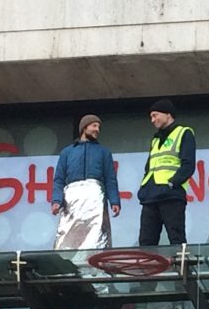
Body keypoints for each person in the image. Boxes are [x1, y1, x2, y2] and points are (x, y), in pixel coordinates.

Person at [51, 114, 121, 250]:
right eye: (94, 126)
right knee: (67, 239)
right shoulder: (67, 152)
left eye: (99, 127)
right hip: (71, 200)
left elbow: (110, 179)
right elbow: (59, 179)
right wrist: (56, 201)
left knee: (97, 239)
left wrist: (115, 201)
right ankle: (67, 268)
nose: (97, 130)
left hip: (95, 198)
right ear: (84, 127)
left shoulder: (103, 152)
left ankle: (96, 269)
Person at [138, 99, 196, 246]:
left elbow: (188, 165)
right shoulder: (155, 139)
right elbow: (149, 167)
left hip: (171, 195)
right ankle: (148, 269)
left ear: (167, 114)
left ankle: (181, 269)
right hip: (150, 196)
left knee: (176, 238)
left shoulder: (184, 133)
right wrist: (143, 189)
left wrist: (172, 183)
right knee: (146, 241)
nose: (153, 120)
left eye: (155, 115)